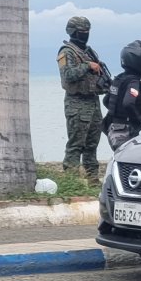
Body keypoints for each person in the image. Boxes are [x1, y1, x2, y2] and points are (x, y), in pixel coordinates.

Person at [57, 16, 110, 177]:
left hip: (93, 101)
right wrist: (87, 66)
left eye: (87, 31)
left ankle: (92, 179)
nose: (85, 34)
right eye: (82, 32)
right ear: (73, 32)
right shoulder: (66, 52)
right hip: (77, 102)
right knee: (76, 144)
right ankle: (71, 180)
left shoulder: (89, 51)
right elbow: (68, 75)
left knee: (92, 144)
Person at [102, 40, 141, 150]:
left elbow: (106, 100)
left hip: (113, 127)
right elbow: (128, 103)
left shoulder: (119, 79)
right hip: (125, 129)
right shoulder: (133, 82)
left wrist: (117, 112)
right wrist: (139, 117)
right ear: (140, 62)